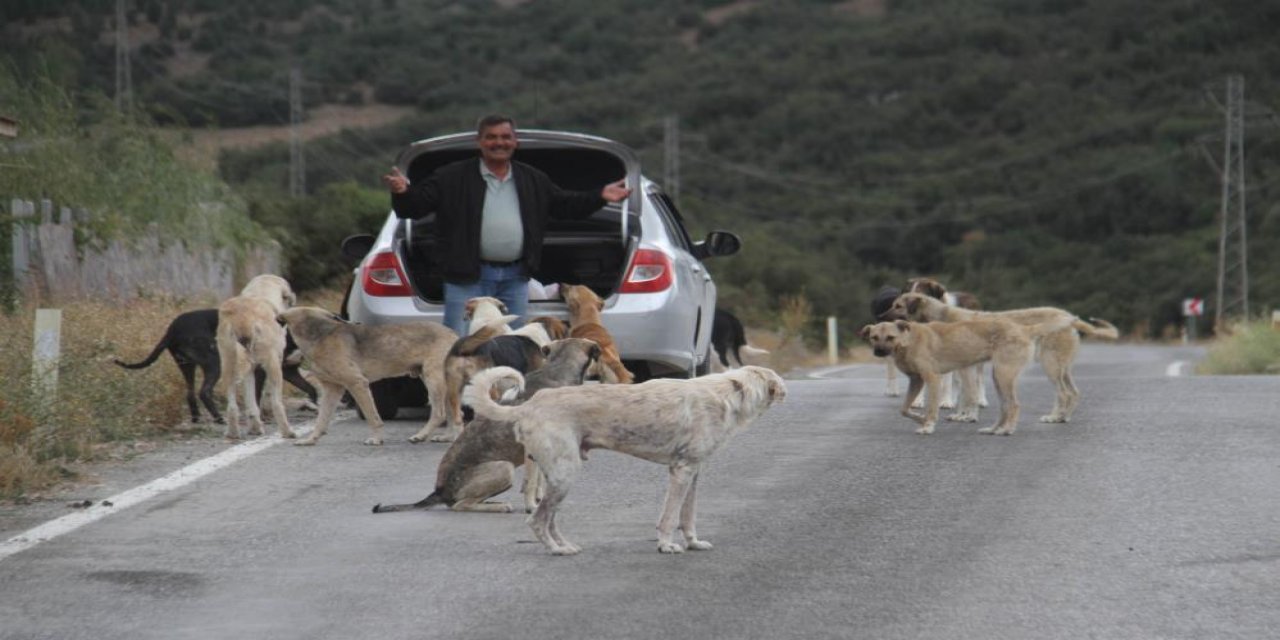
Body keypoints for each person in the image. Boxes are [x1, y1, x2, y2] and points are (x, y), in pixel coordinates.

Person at [382, 114, 630, 335]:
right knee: (459, 343)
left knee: (514, 343)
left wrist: (600, 195)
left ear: (515, 142)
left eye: (505, 137)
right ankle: (462, 389)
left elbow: (566, 205)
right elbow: (413, 208)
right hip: (466, 278)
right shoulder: (451, 177)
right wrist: (403, 192)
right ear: (479, 142)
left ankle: (508, 388)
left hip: (515, 278)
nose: (499, 143)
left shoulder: (531, 178)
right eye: (491, 137)